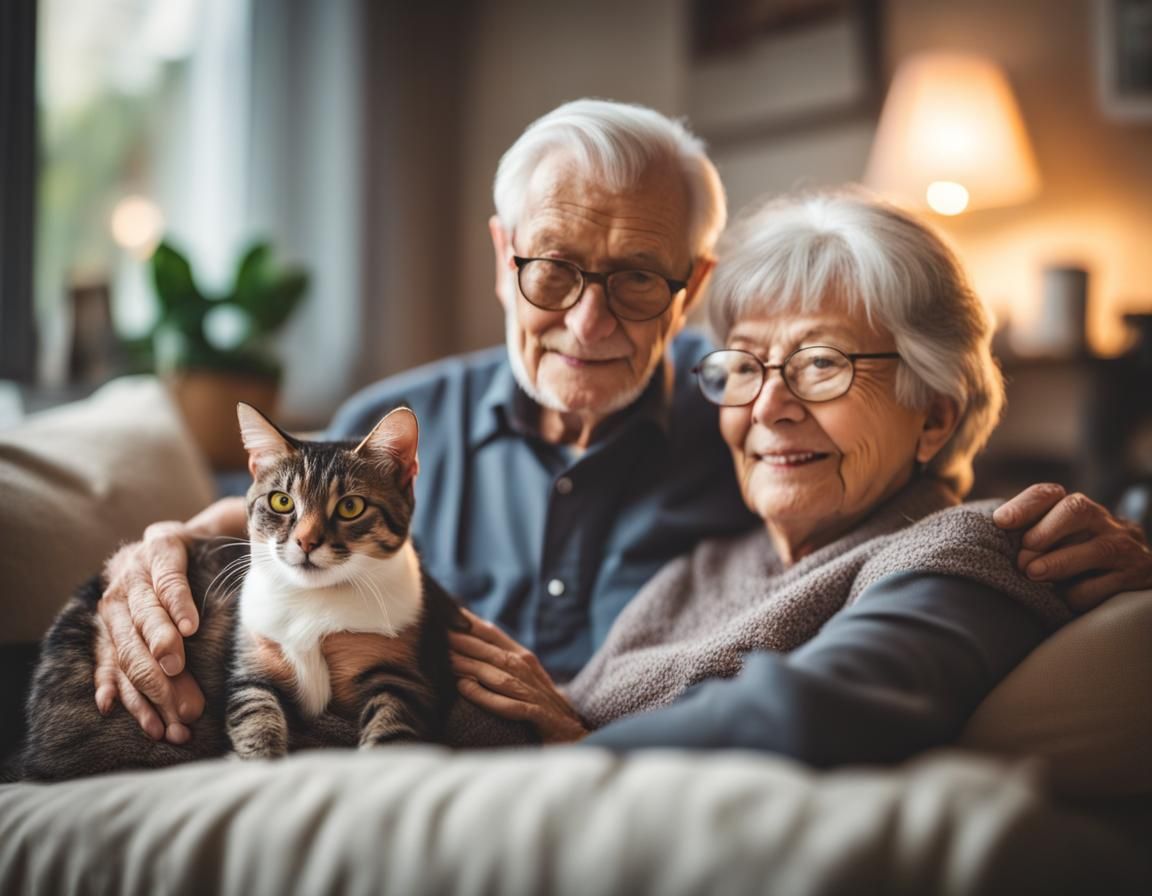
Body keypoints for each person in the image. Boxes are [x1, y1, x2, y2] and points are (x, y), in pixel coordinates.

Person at [94, 100, 1152, 746]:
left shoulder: (739, 421)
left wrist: (1110, 546)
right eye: (553, 265)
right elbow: (274, 524)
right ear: (502, 252)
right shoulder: (391, 429)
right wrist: (167, 548)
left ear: (690, 287)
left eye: (639, 277)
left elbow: (926, 546)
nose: (590, 320)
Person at [446, 188, 1141, 762]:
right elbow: (556, 711)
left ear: (932, 416)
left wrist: (573, 754)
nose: (769, 408)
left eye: (822, 365)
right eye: (744, 366)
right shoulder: (704, 568)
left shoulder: (969, 548)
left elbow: (809, 715)